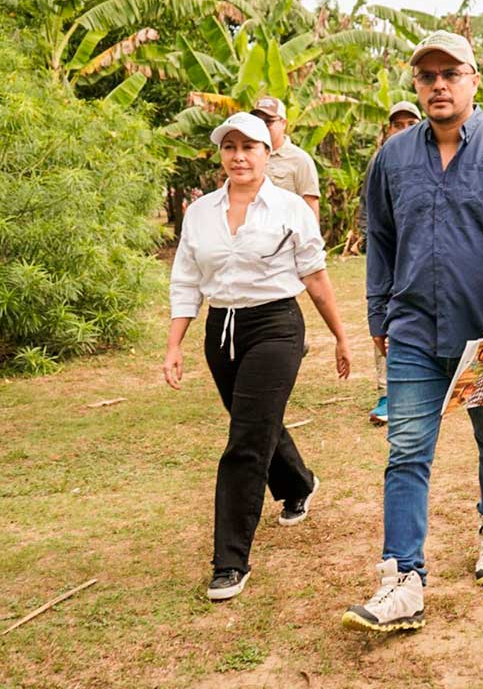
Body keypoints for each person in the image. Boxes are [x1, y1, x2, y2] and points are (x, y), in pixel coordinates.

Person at [343, 31, 483, 633]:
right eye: (427, 75)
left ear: (473, 79)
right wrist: (379, 315)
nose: (438, 84)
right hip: (411, 330)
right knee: (406, 450)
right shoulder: (393, 158)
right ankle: (402, 579)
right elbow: (379, 239)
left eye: (450, 73)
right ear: (416, 84)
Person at [163, 112, 353, 601]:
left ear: (268, 152)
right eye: (230, 148)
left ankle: (229, 560)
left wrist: (340, 336)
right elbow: (186, 279)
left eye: (250, 147)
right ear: (221, 155)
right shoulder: (200, 212)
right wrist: (174, 344)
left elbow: (314, 276)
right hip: (221, 330)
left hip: (275, 325)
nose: (240, 156)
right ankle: (299, 482)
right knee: (257, 419)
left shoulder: (291, 209)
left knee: (245, 439)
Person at [359, 100, 423, 426]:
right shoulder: (381, 161)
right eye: (397, 124)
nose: (404, 129)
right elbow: (370, 211)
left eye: (410, 122)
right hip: (389, 256)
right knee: (384, 319)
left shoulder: (434, 156)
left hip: (422, 258)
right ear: (388, 129)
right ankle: (387, 392)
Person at [251, 97, 321, 218]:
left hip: (286, 234)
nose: (263, 126)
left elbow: (311, 208)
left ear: (283, 123)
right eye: (258, 121)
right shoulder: (247, 156)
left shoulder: (300, 160)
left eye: (268, 122)